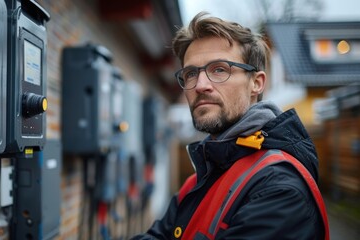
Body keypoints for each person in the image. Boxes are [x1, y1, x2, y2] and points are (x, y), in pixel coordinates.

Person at [133, 12, 328, 239]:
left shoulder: (279, 187)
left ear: (256, 83)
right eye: (191, 73)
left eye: (219, 69)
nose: (200, 85)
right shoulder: (199, 179)